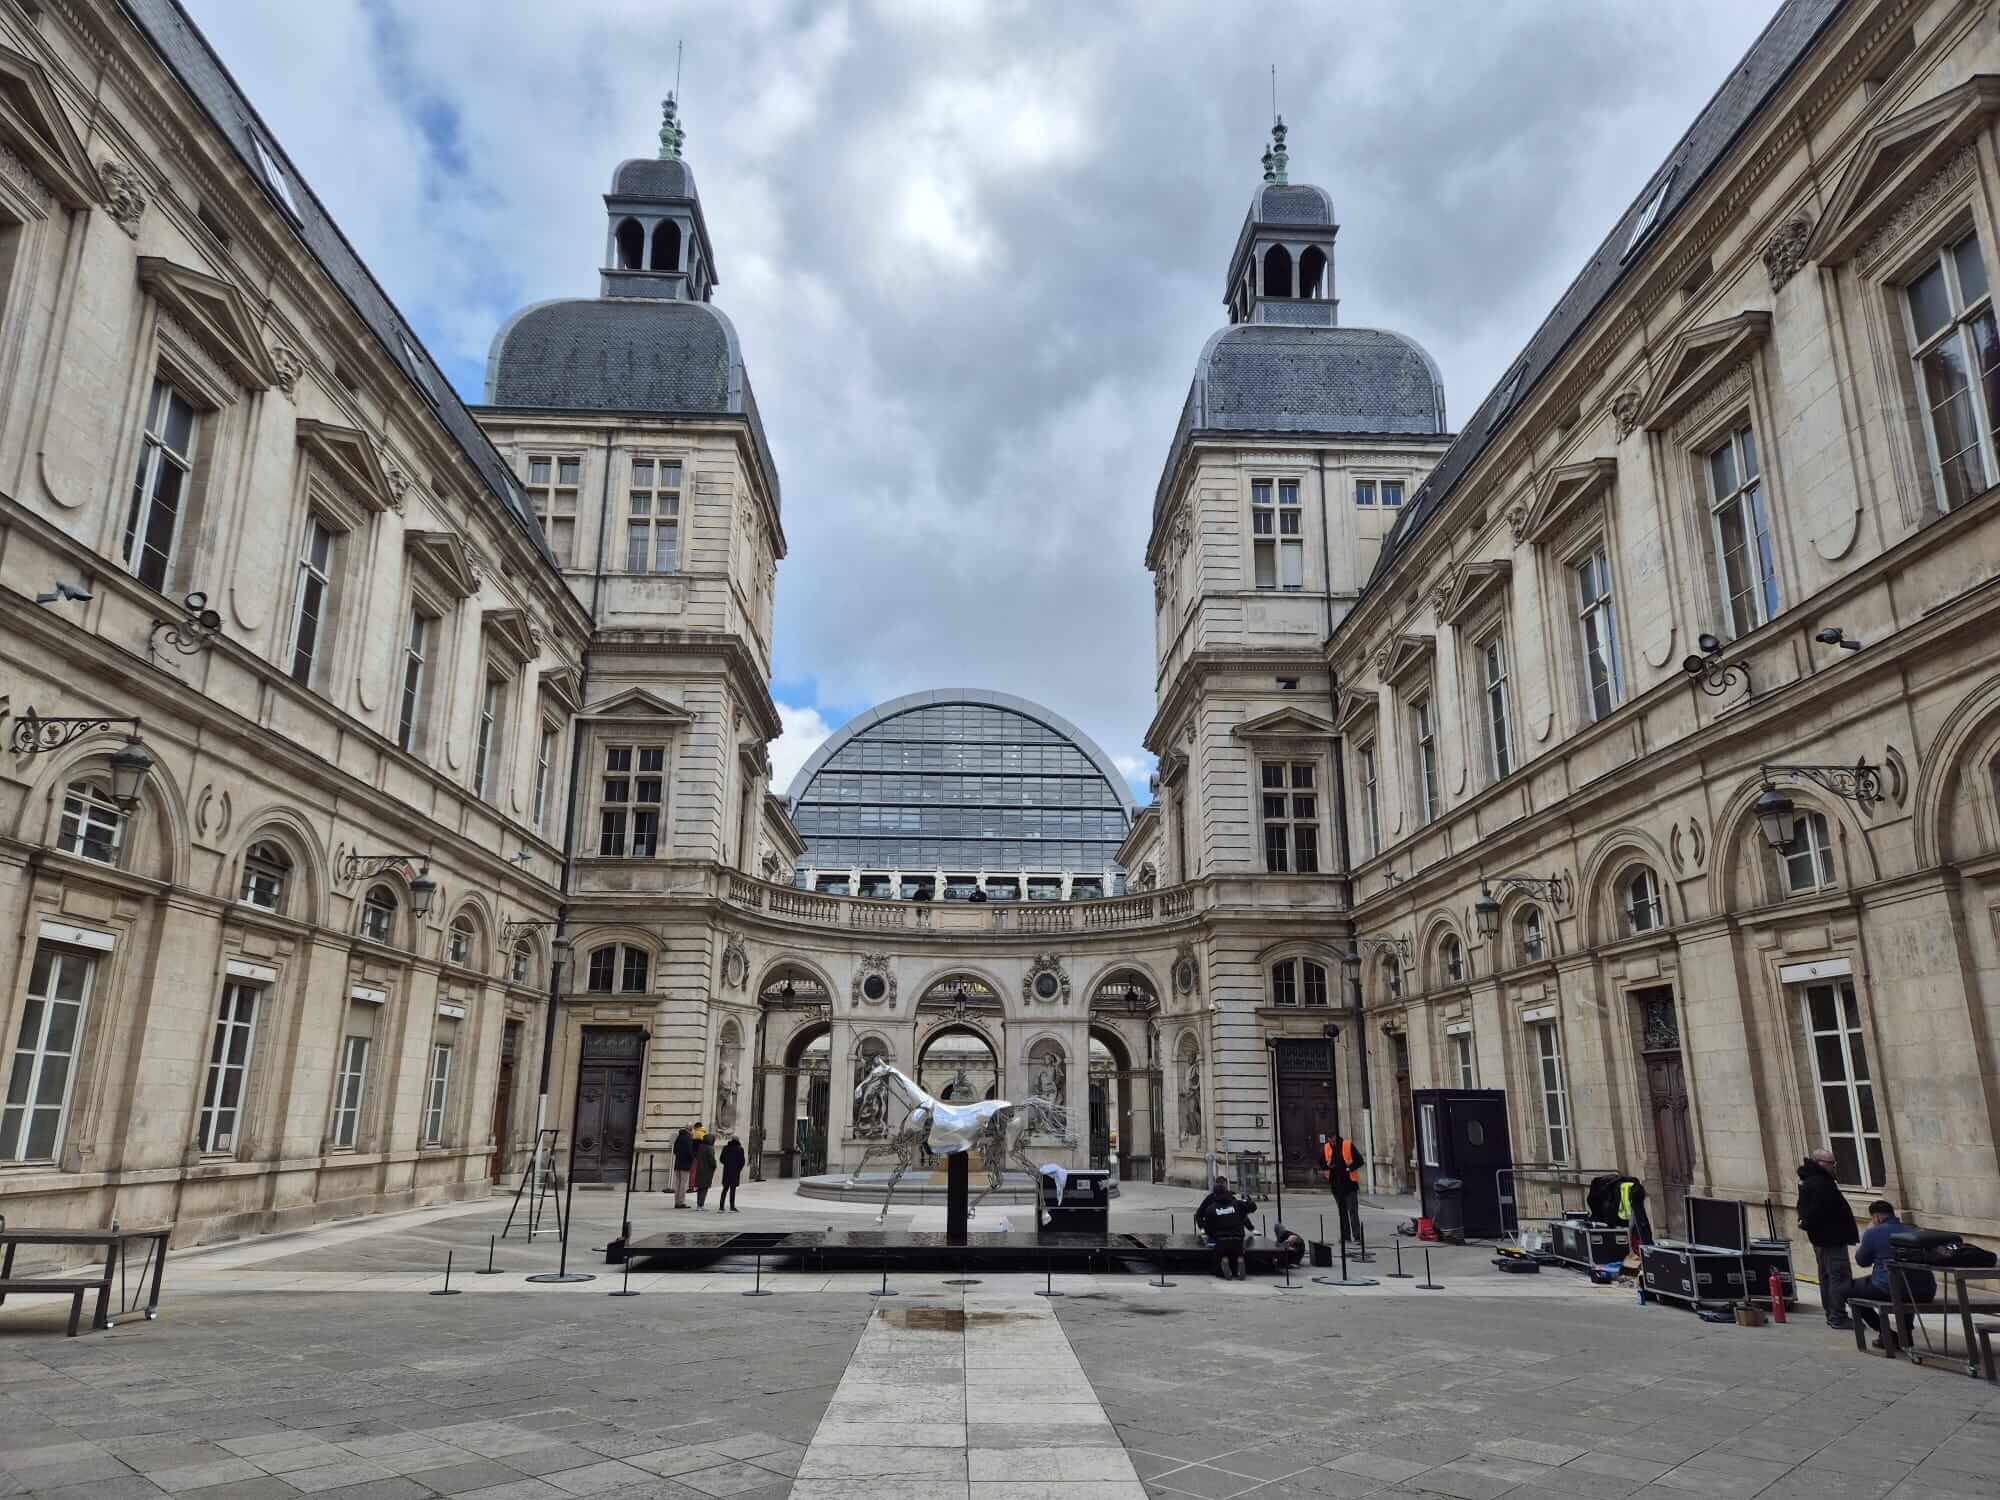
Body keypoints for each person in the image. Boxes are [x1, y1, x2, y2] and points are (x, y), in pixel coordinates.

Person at [1851, 1199, 1934, 1350]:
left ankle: (1887, 1334)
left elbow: (1862, 1261)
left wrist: (1867, 1233)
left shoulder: (1873, 1232)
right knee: (1905, 1282)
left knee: (1846, 1290)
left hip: (1890, 1288)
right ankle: (1906, 1333)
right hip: (1925, 1291)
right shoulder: (1913, 1231)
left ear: (1876, 1218)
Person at [1796, 1147, 1859, 1329]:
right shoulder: (1821, 1183)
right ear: (1820, 1164)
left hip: (1821, 1238)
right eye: (1831, 1163)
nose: (1834, 1166)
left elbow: (1804, 1210)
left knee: (1827, 1276)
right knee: (1838, 1276)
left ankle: (1832, 1313)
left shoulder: (1809, 1180)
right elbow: (1817, 1211)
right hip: (1831, 1238)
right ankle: (1838, 1315)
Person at [1194, 1175, 1256, 1280]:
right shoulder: (1236, 1203)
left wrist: (1206, 1231)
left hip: (1221, 1240)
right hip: (1238, 1239)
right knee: (1237, 1253)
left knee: (1215, 1264)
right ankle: (1239, 1261)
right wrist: (1249, 1202)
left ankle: (1223, 1266)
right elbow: (1250, 1210)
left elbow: (1208, 1228)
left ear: (1215, 1194)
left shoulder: (1211, 1209)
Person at [1328, 1128, 1364, 1246]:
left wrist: (1350, 1167)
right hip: (1336, 1187)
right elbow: (1322, 1162)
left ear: (1336, 1138)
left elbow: (1360, 1160)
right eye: (1329, 1142)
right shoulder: (1328, 1148)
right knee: (1342, 1212)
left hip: (1349, 1185)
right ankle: (1346, 1236)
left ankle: (1357, 1236)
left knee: (1352, 1211)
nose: (1331, 1143)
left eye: (1333, 1141)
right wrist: (1327, 1167)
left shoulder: (1347, 1145)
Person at [718, 1136, 746, 1213]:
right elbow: (742, 1162)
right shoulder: (740, 1149)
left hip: (727, 1171)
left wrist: (727, 1164)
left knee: (725, 1189)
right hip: (735, 1172)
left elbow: (721, 1159)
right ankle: (732, 1207)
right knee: (733, 1190)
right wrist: (738, 1169)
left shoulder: (726, 1148)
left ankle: (721, 1206)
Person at [670, 1125, 694, 1208]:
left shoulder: (679, 1137)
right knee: (683, 1184)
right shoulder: (688, 1138)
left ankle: (676, 1202)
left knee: (677, 1184)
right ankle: (681, 1202)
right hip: (685, 1164)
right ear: (690, 1130)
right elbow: (690, 1152)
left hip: (677, 1164)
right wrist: (691, 1160)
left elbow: (675, 1151)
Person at [694, 1130, 718, 1210]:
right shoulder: (710, 1148)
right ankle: (701, 1205)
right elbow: (712, 1160)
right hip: (707, 1170)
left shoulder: (700, 1147)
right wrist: (714, 1166)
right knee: (704, 1188)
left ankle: (698, 1205)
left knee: (700, 1188)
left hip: (700, 1169)